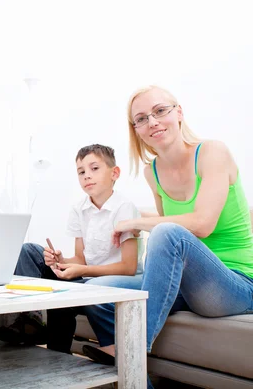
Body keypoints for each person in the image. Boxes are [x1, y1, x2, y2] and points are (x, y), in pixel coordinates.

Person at [90, 85, 253, 374]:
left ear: (178, 112)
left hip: (236, 284)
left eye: (160, 111)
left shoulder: (212, 152)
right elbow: (172, 220)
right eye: (141, 118)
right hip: (187, 286)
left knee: (166, 233)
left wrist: (137, 223)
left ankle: (133, 348)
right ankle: (138, 379)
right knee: (96, 291)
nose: (152, 122)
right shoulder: (151, 172)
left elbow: (200, 224)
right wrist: (130, 216)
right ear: (136, 129)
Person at [0, 144, 143, 355]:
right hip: (87, 275)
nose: (87, 176)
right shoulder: (79, 208)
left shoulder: (124, 208)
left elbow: (128, 268)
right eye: (81, 172)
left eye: (94, 169)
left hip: (113, 279)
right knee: (28, 251)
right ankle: (31, 318)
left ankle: (57, 352)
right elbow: (81, 259)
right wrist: (61, 260)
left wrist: (80, 271)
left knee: (72, 293)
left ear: (114, 173)